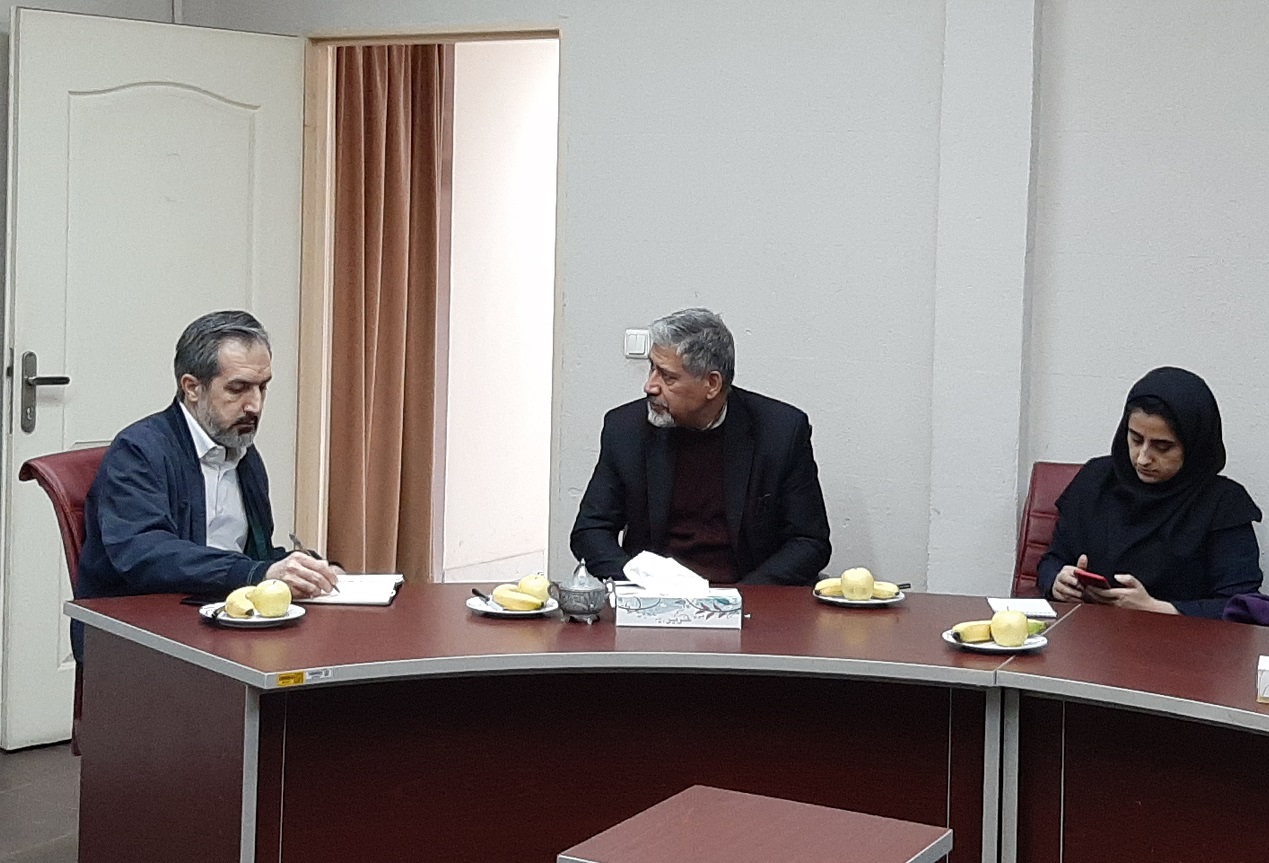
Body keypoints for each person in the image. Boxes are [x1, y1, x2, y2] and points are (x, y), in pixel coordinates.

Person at [76, 310, 339, 656]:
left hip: (224, 624)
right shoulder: (138, 452)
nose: (255, 405)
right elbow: (146, 555)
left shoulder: (244, 455)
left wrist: (305, 568)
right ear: (192, 388)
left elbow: (250, 557)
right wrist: (259, 573)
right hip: (140, 637)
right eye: (238, 389)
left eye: (262, 387)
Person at [571, 308, 831, 585]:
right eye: (652, 368)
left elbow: (809, 542)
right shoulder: (626, 429)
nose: (650, 386)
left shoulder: (780, 432)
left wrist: (742, 597)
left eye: (668, 377)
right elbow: (590, 531)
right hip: (652, 597)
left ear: (712, 384)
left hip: (745, 595)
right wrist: (637, 580)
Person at [1037, 366, 1262, 618]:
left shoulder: (1223, 504)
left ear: (1194, 445)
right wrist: (1057, 581)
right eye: (1135, 439)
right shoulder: (1096, 480)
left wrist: (1157, 609)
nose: (1143, 458)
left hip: (1180, 639)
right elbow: (1052, 559)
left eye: (1162, 447)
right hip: (1088, 631)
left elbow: (1241, 606)